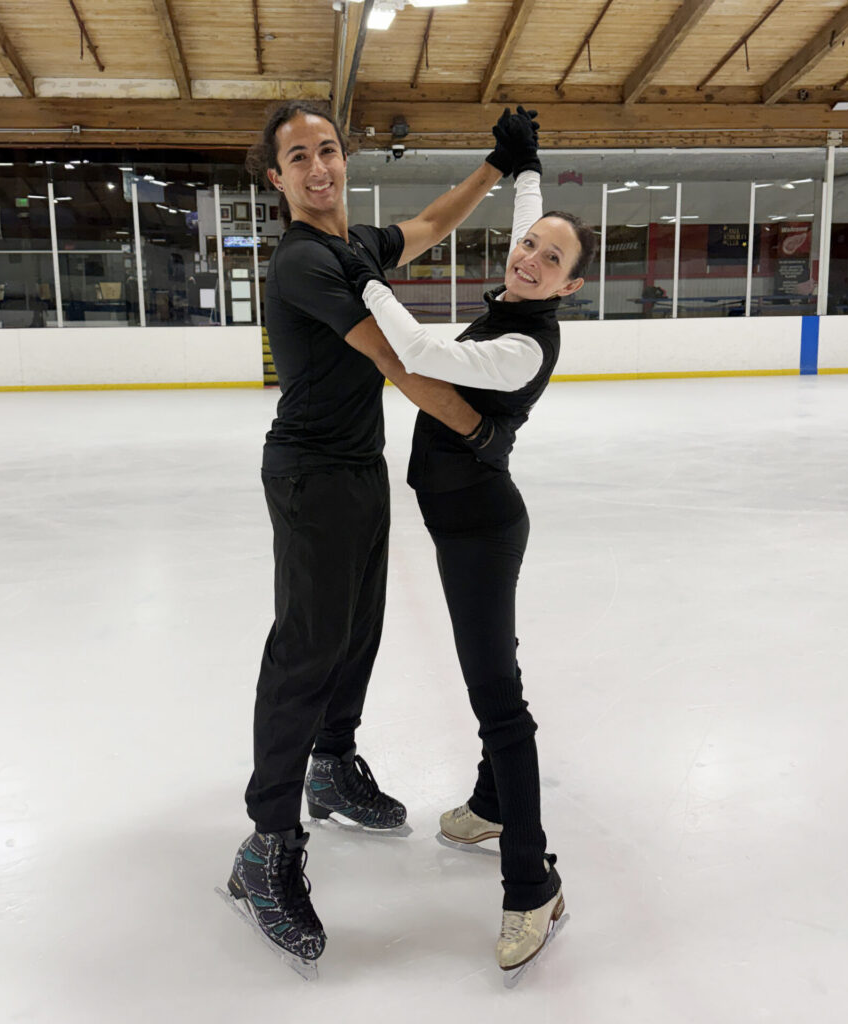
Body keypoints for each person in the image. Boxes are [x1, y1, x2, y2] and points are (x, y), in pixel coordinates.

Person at [225, 99, 536, 970]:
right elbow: (398, 364)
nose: (318, 167)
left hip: (358, 471)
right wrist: (478, 429)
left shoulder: (353, 245)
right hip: (311, 475)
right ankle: (266, 846)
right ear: (276, 177)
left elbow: (433, 222)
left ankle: (331, 763)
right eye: (299, 157)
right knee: (306, 649)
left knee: (355, 633)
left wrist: (496, 166)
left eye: (328, 150)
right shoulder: (302, 266)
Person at [325, 107, 598, 973]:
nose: (530, 256)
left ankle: (533, 885)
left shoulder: (521, 347)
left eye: (551, 260)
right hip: (462, 523)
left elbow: (412, 351)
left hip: (482, 530)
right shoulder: (521, 288)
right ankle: (489, 799)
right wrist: (525, 170)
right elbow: (529, 224)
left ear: (568, 289)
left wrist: (359, 273)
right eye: (531, 248)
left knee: (497, 699)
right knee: (494, 670)